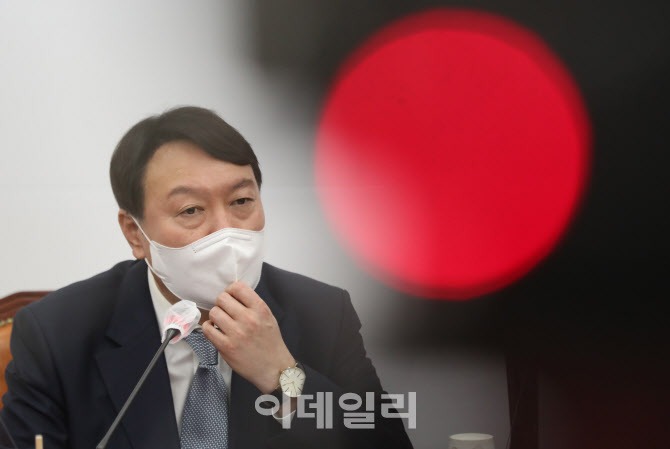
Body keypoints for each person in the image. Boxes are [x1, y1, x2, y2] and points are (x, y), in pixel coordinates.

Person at [0, 106, 413, 449]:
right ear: (134, 234)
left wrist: (282, 376)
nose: (224, 230)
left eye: (241, 201)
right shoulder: (58, 333)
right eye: (191, 210)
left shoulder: (321, 313)